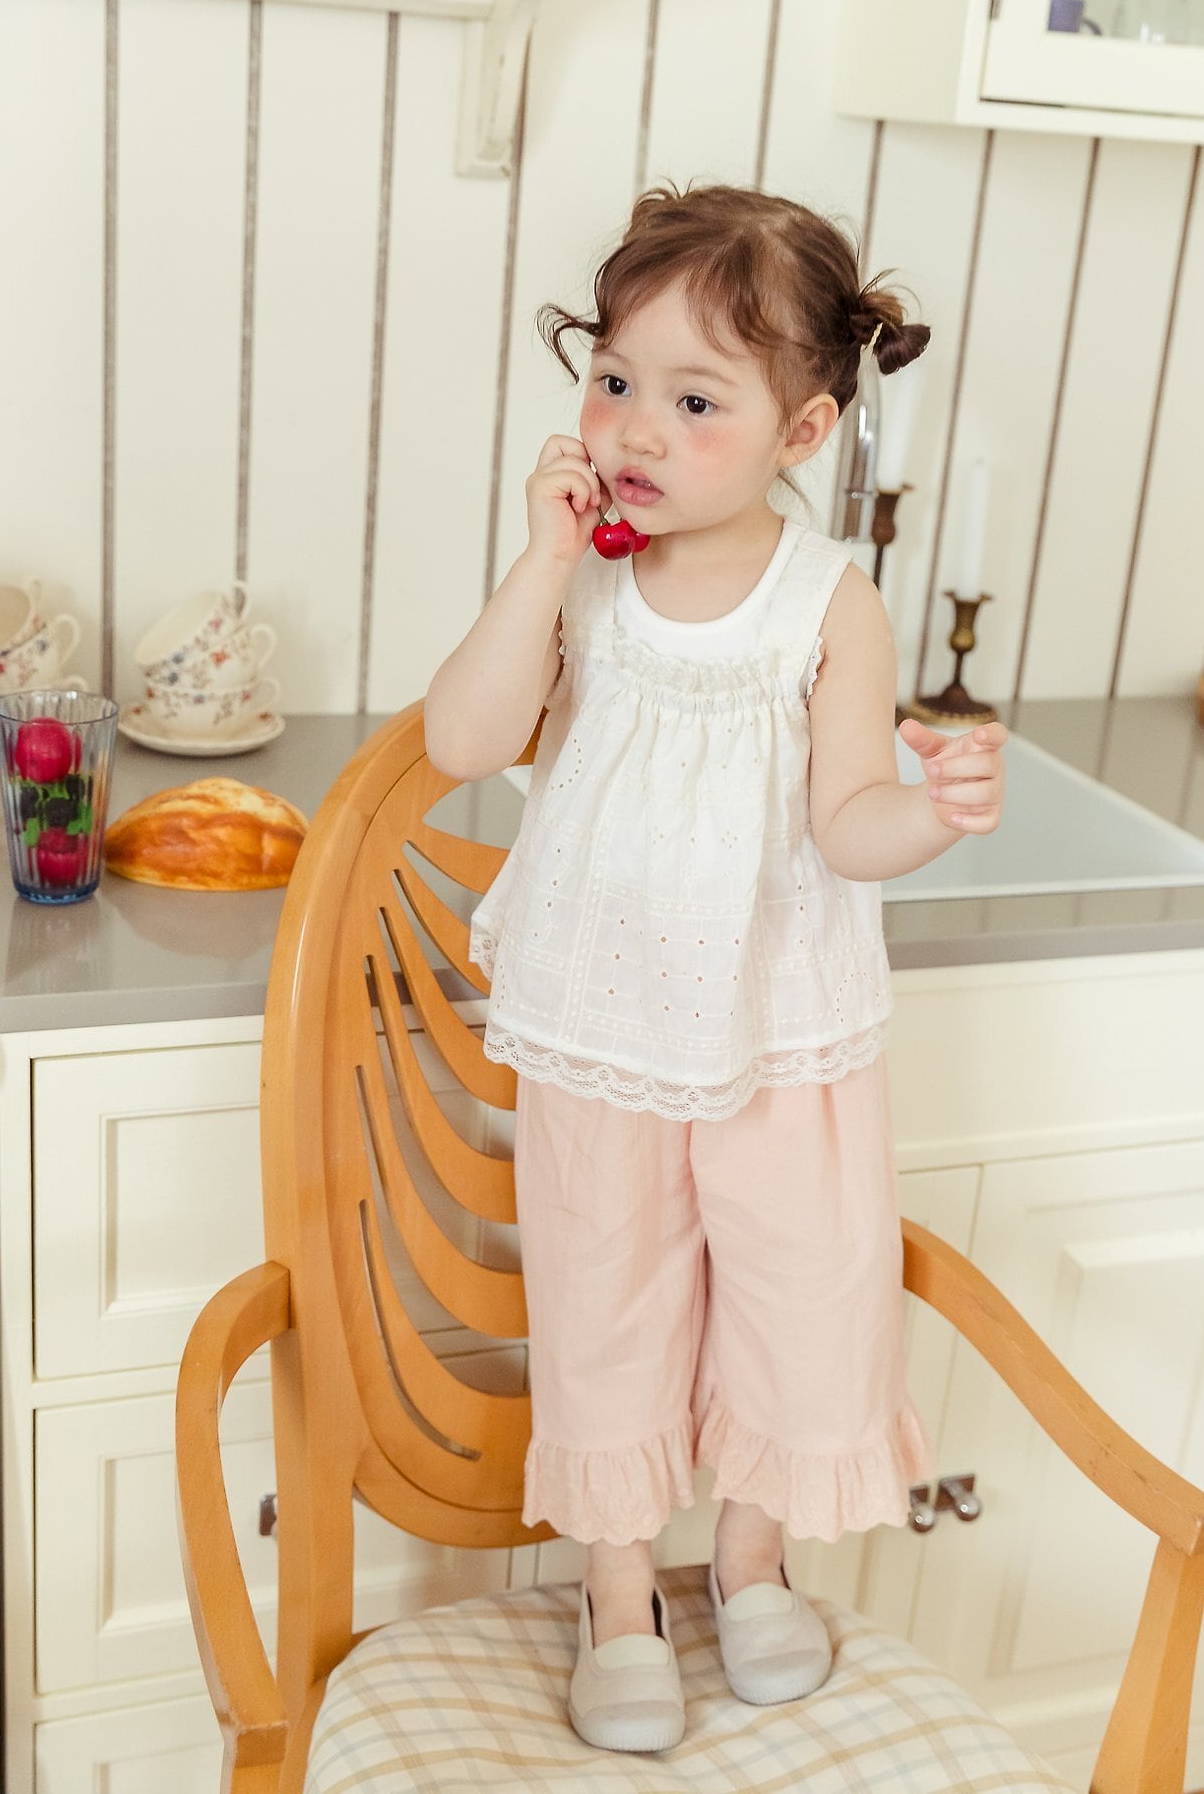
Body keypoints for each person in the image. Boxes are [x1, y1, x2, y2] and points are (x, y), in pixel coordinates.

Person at [423, 181, 1008, 1754]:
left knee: (803, 1300)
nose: (637, 430)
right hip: (602, 1027)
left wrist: (934, 813)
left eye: (696, 402)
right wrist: (540, 561)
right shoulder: (588, 579)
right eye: (615, 380)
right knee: (605, 1306)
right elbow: (464, 741)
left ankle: (751, 1561)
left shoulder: (830, 604)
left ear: (801, 432)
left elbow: (849, 819)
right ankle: (621, 1592)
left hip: (782, 1033)